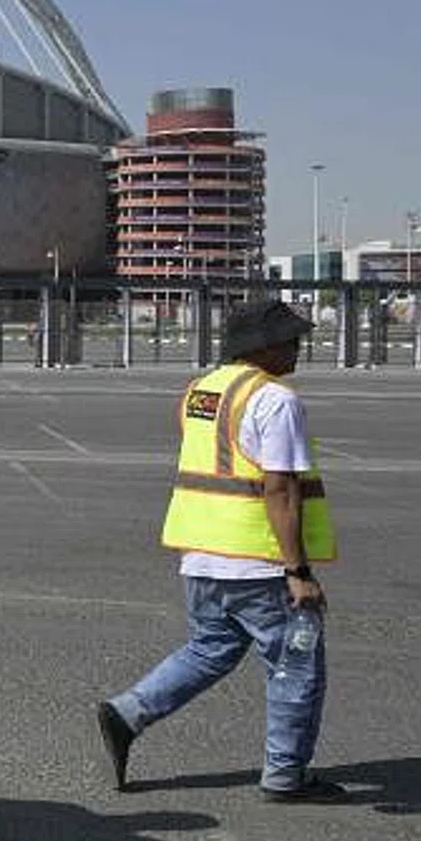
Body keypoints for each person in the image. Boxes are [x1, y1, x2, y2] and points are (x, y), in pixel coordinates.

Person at [96, 298, 344, 802]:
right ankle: (285, 774)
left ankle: (127, 712)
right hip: (261, 562)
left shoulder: (202, 391)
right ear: (263, 347)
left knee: (209, 649)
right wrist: (298, 570)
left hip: (203, 555)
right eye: (291, 340)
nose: (299, 348)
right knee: (295, 667)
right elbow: (279, 489)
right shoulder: (276, 399)